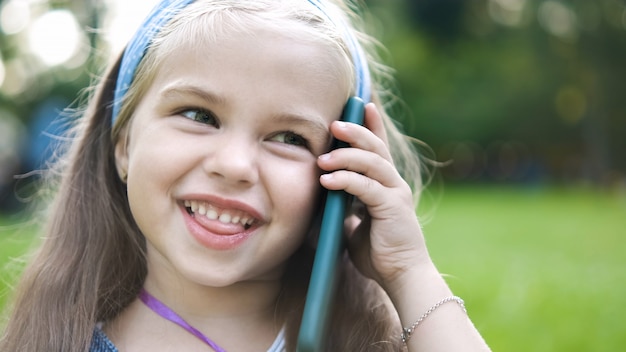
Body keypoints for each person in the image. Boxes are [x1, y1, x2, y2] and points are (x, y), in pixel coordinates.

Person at [0, 0, 491, 351]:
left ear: (342, 176)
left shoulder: (360, 343)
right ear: (123, 144)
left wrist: (409, 275)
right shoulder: (56, 341)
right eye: (198, 115)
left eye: (289, 138)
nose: (234, 166)